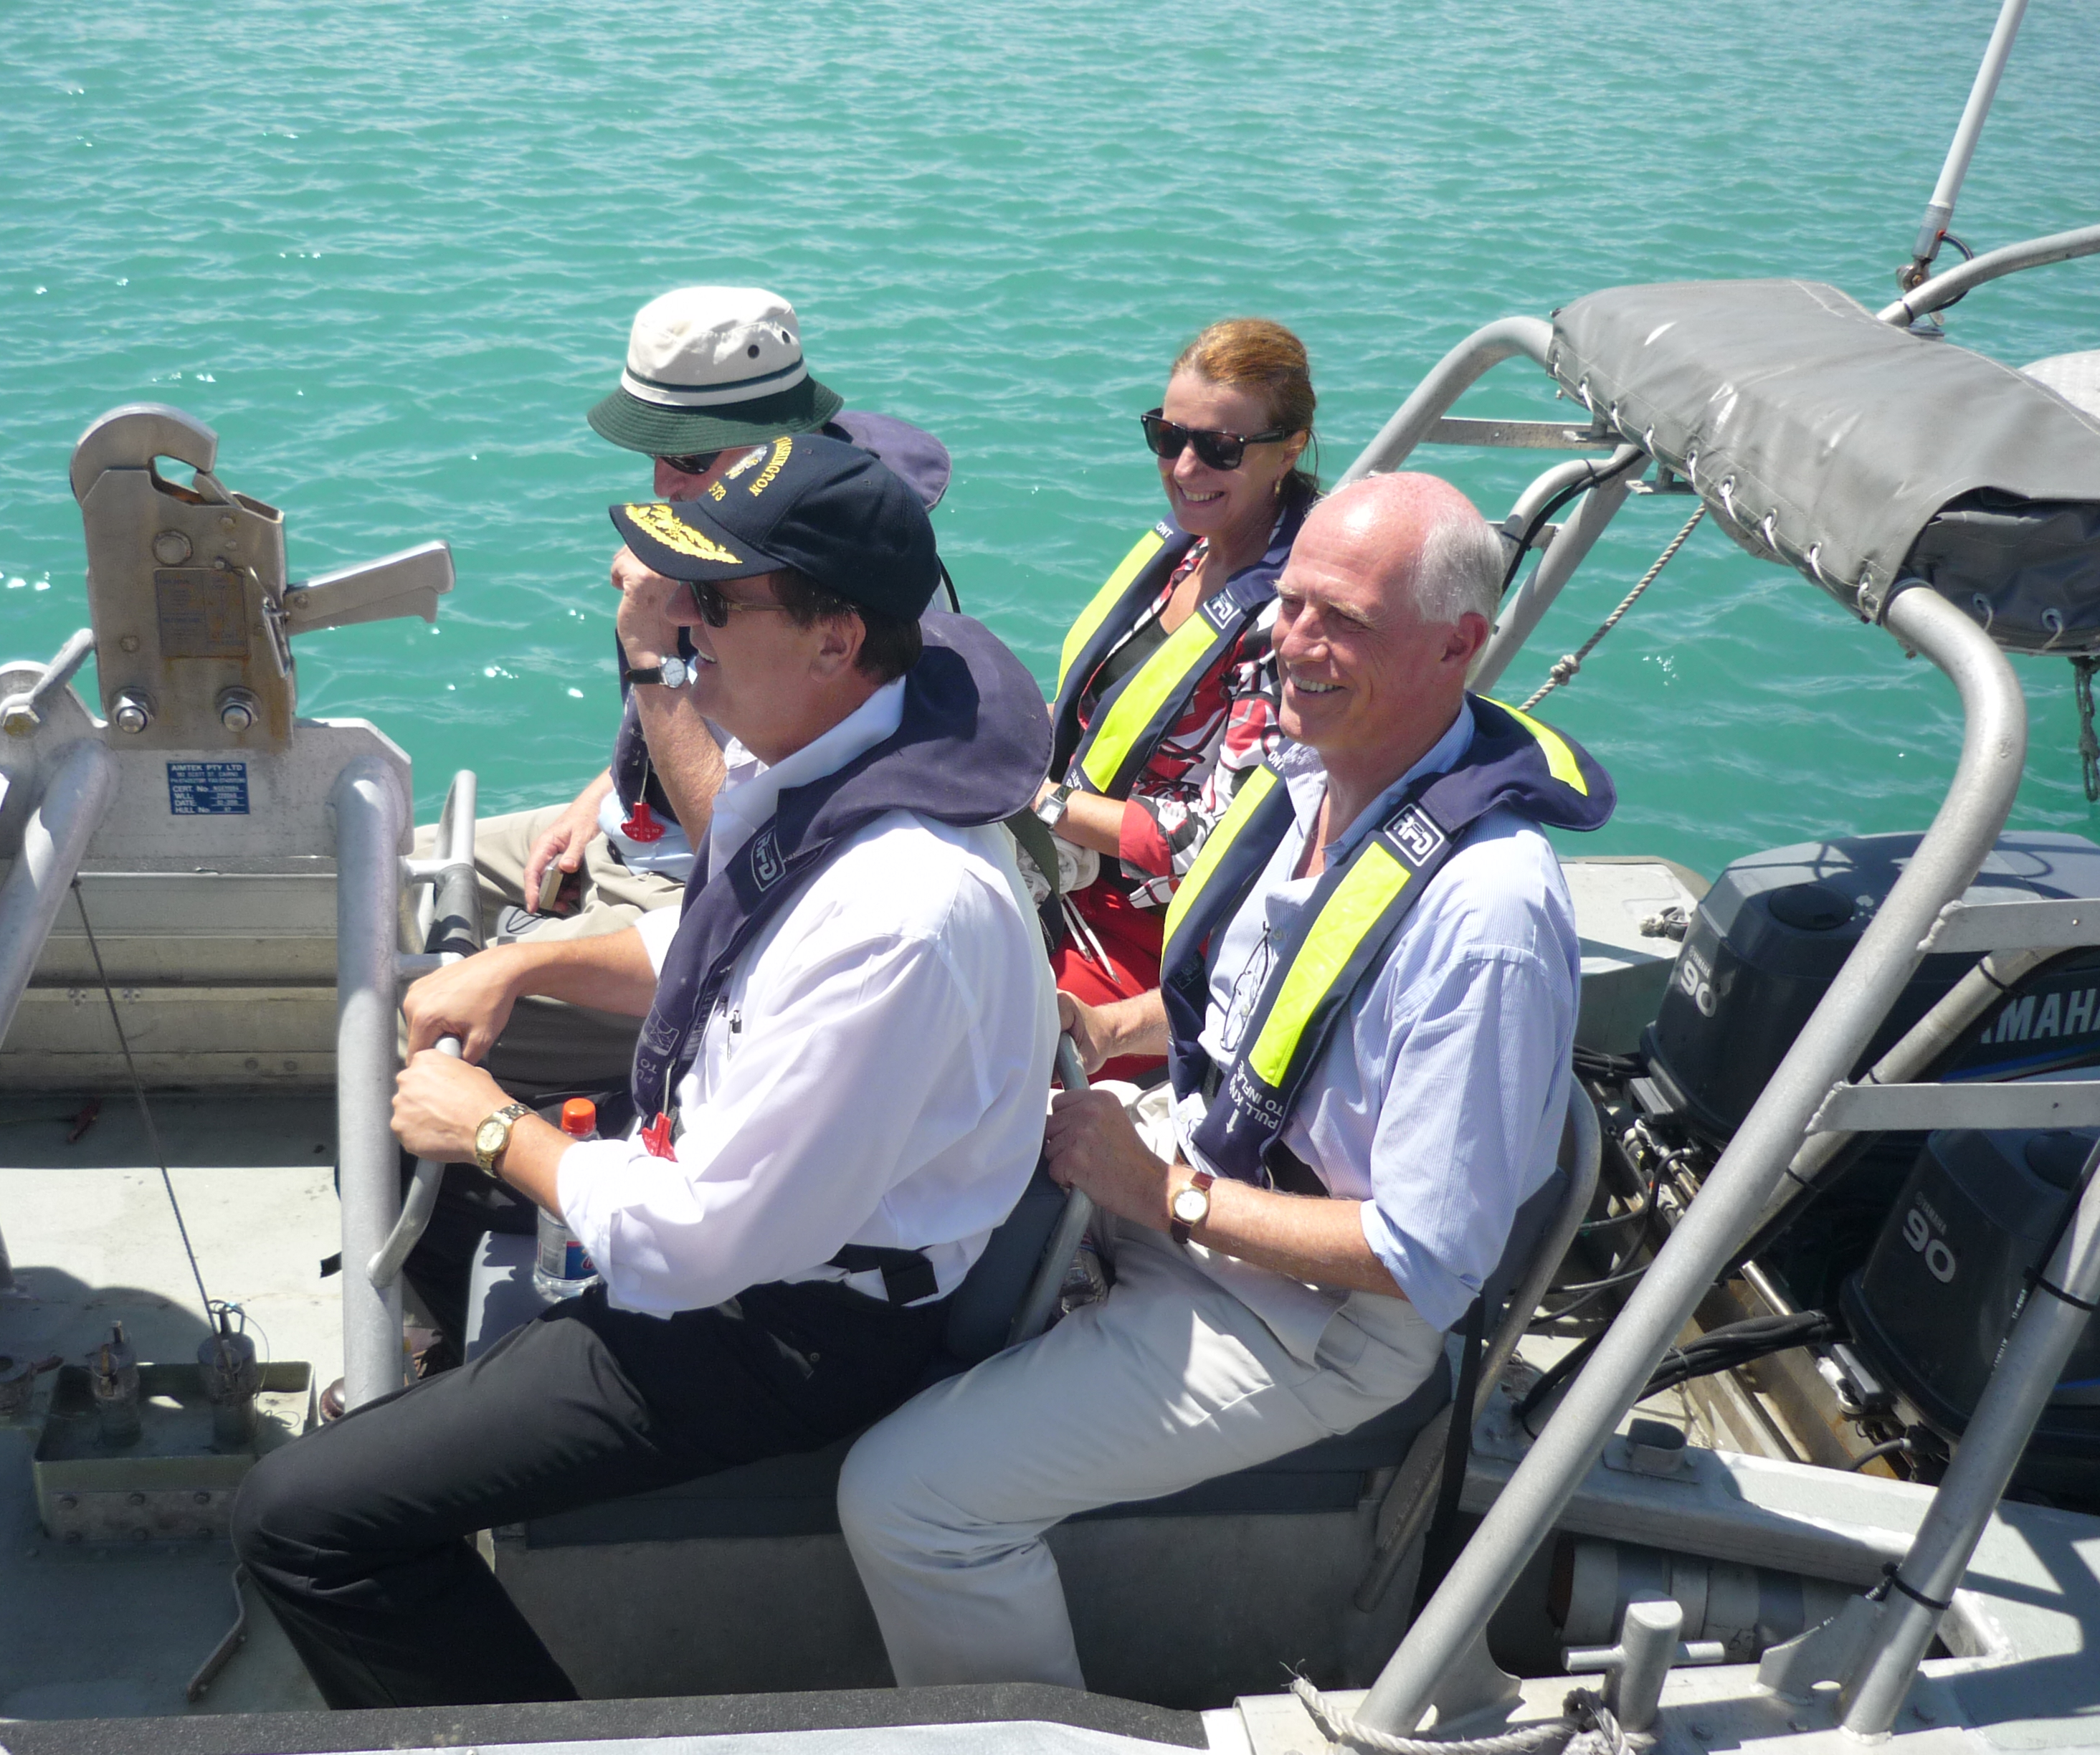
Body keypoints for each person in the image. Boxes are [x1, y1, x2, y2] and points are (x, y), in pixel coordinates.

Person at [233, 434, 1058, 1709]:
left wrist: (499, 1129)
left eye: (714, 603)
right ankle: (445, 1425)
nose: (679, 628)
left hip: (795, 1322)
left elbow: (703, 1239)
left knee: (298, 1519)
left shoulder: (902, 906)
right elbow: (728, 934)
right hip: (754, 1218)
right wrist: (533, 965)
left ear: (836, 638)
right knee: (428, 1167)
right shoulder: (836, 762)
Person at [837, 472, 1615, 1689]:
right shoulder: (1308, 774)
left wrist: (1163, 1198)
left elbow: (1425, 1250)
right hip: (1187, 1166)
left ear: (1459, 643)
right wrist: (1100, 1032)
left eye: (1340, 620)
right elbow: (1255, 1014)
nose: (1289, 641)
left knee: (906, 1502)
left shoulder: (1487, 915)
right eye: (1289, 601)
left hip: (1310, 1319)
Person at [394, 288, 950, 1359]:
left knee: (410, 1026)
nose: (663, 481)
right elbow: (707, 720)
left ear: (782, 441)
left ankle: (447, 1322)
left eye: (690, 459)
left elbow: (752, 850)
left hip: (703, 894)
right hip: (635, 826)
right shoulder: (715, 535)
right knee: (392, 876)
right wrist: (601, 794)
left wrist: (651, 647)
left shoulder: (836, 586)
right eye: (652, 451)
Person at [1029, 318, 1319, 1079]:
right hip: (1059, 883)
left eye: (1220, 449)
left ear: (1289, 449)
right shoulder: (1188, 548)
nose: (1185, 466)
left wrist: (1041, 803)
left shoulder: (1290, 625)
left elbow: (1219, 843)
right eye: (1168, 436)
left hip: (1152, 947)